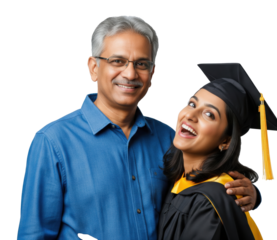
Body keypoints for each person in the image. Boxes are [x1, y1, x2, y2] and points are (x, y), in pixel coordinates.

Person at [16, 17, 262, 240]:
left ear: (152, 73)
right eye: (117, 61)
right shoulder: (53, 141)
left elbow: (201, 187)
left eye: (142, 64)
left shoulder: (169, 138)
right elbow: (33, 235)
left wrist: (251, 194)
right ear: (93, 67)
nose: (130, 73)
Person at [158, 62, 277, 240]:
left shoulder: (210, 201)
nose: (190, 116)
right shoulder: (181, 178)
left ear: (226, 141)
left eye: (209, 114)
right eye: (192, 104)